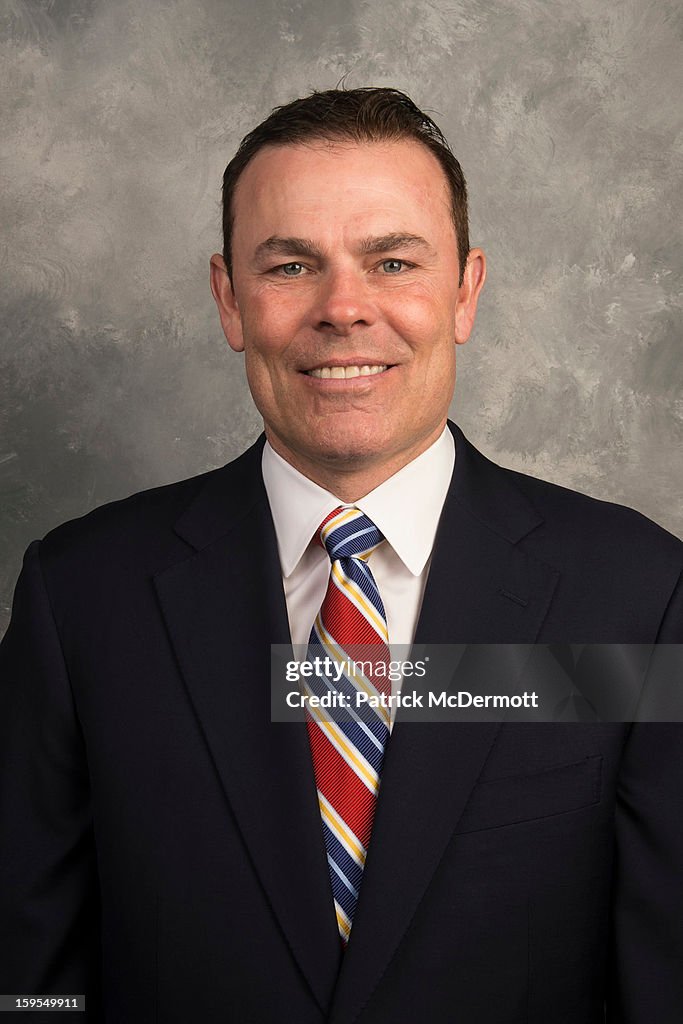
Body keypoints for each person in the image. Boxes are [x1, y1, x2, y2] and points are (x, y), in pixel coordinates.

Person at [0, 87, 681, 1024]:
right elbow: (29, 975)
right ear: (230, 298)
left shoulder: (637, 594)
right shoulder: (80, 598)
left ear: (464, 292)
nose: (344, 310)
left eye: (392, 260)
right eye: (290, 266)